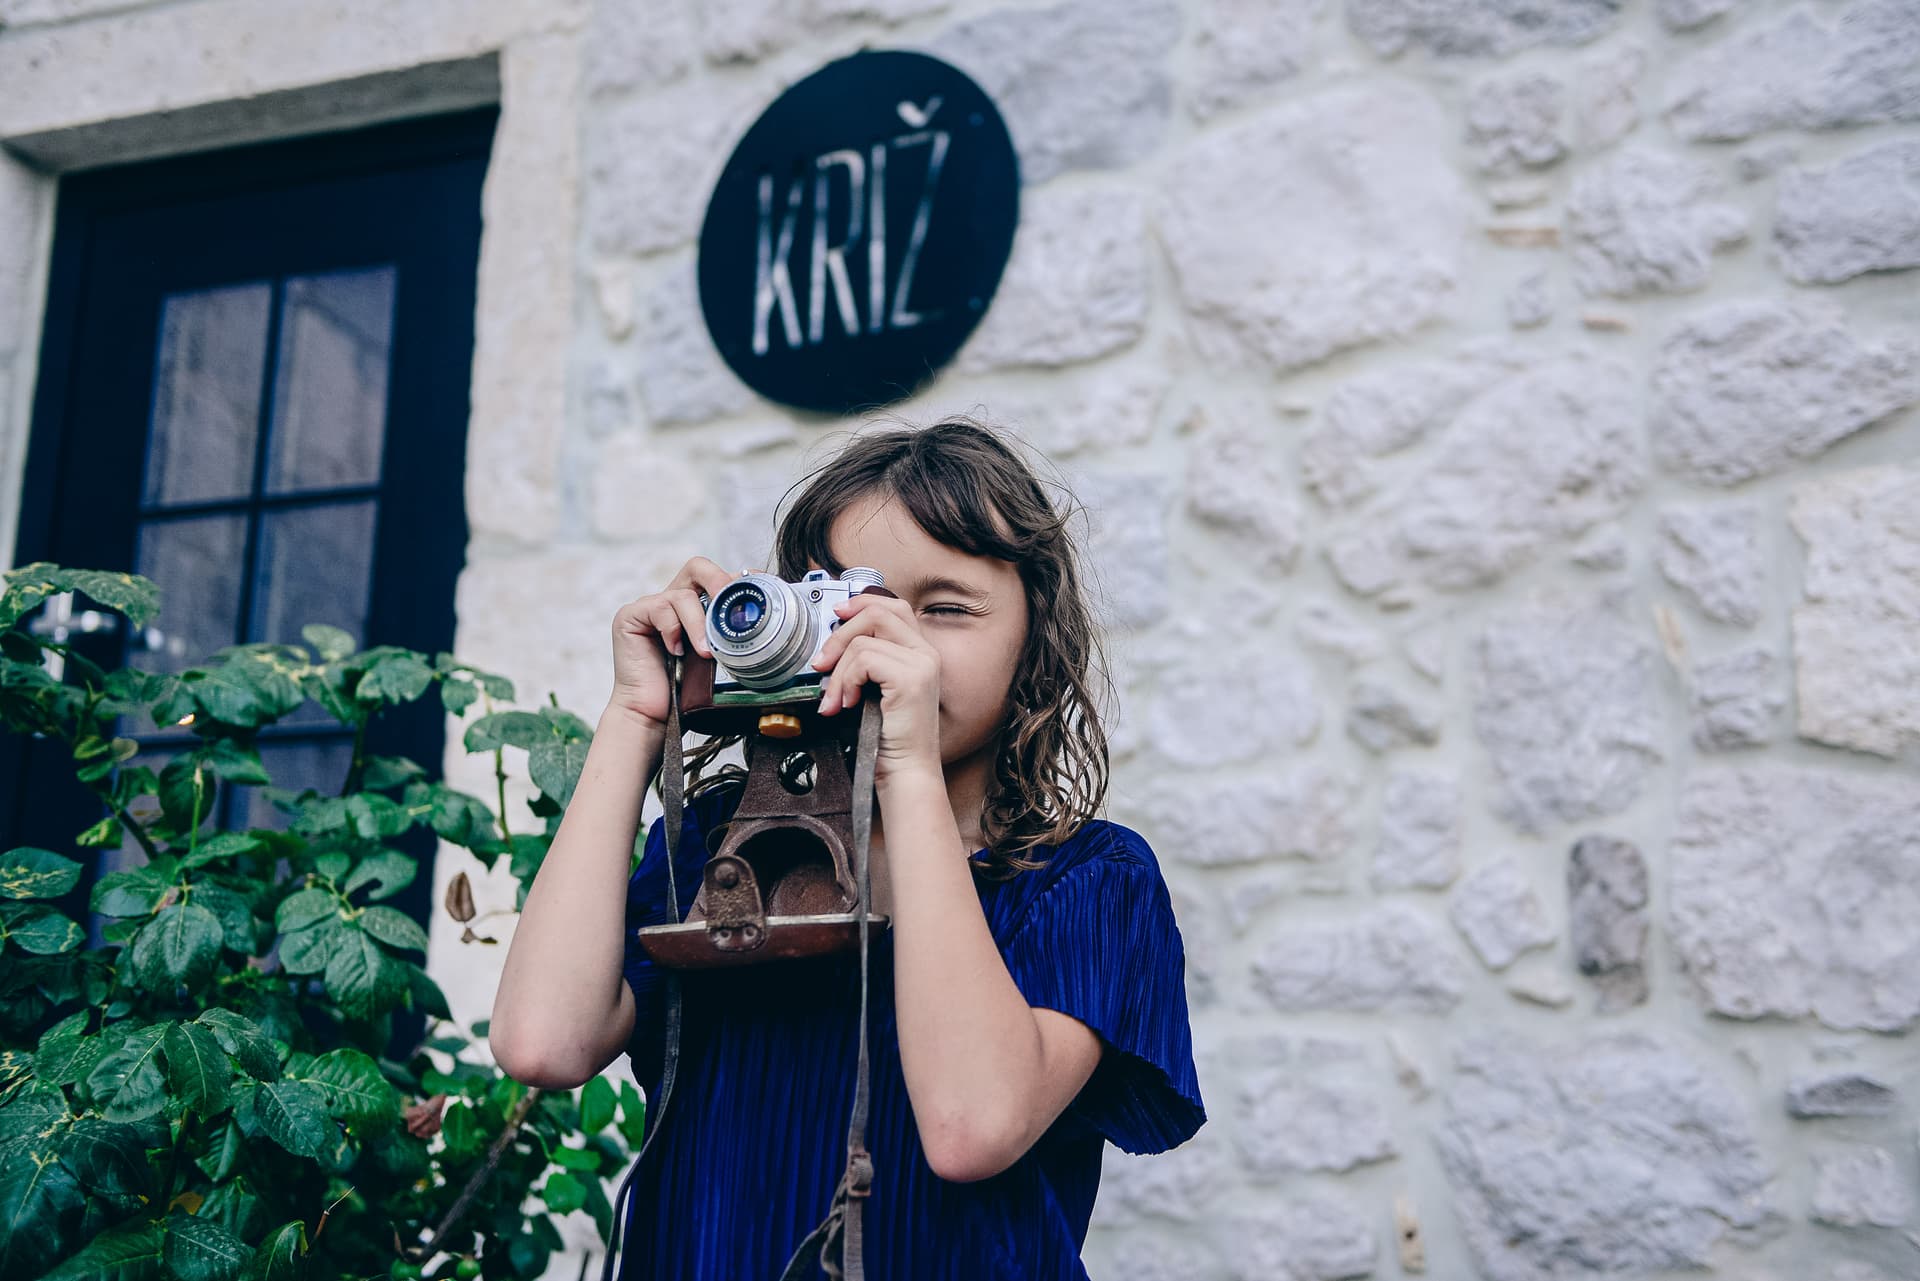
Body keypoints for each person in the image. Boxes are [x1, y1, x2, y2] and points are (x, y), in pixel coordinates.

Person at [490, 418, 1206, 1279]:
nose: (884, 639)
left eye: (943, 608)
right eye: (846, 602)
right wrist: (637, 717)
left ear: (1033, 641)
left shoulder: (1089, 880)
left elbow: (972, 1126)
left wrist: (903, 767)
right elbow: (540, 1043)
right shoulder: (721, 846)